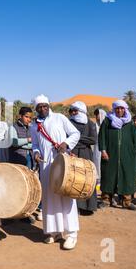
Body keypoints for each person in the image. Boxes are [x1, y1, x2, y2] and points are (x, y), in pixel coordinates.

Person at [30, 94, 81, 250]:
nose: (42, 109)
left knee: (66, 195)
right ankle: (54, 231)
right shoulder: (34, 125)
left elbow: (75, 134)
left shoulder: (60, 118)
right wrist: (36, 153)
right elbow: (35, 145)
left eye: (45, 106)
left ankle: (72, 233)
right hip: (46, 166)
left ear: (49, 105)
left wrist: (66, 144)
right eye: (39, 107)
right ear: (36, 109)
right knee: (50, 196)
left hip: (62, 162)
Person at [99, 100, 136, 210]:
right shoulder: (107, 121)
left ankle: (127, 201)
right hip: (110, 154)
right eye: (117, 108)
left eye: (122, 108)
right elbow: (101, 136)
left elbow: (135, 138)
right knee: (108, 176)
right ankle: (106, 200)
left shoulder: (129, 122)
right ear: (114, 109)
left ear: (125, 109)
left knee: (127, 176)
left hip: (127, 155)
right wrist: (103, 150)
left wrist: (135, 151)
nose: (119, 110)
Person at [68, 101, 98, 215]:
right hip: (72, 152)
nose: (73, 113)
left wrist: (76, 137)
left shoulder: (90, 124)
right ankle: (75, 207)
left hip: (86, 153)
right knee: (73, 180)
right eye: (72, 111)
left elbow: (93, 140)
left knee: (88, 179)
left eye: (76, 110)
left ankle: (88, 207)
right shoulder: (69, 123)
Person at [92, 108, 107, 197]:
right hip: (96, 149)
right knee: (97, 165)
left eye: (97, 115)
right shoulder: (95, 125)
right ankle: (98, 183)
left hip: (104, 149)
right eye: (95, 115)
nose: (96, 117)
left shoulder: (106, 125)